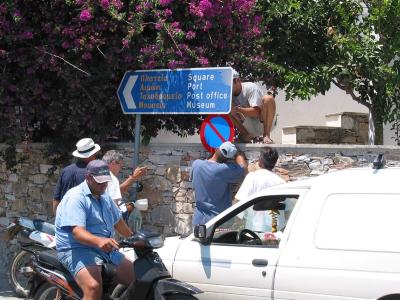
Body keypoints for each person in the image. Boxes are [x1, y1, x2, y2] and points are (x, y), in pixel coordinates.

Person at [55, 160, 134, 300]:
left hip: (105, 249)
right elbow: (77, 232)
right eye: (99, 181)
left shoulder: (104, 196)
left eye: (106, 181)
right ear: (88, 177)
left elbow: (118, 221)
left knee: (138, 278)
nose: (104, 185)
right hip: (76, 249)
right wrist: (99, 241)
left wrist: (134, 238)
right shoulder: (76, 197)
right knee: (93, 288)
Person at [191, 141, 247, 225]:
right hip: (218, 221)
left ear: (217, 149)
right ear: (227, 159)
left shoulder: (196, 165)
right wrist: (238, 153)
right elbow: (242, 167)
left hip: (198, 221)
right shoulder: (223, 170)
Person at [235, 147, 286, 232]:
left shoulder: (252, 177)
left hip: (256, 230)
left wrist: (236, 224)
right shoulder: (281, 181)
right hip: (276, 230)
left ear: (260, 161)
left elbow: (238, 202)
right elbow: (286, 208)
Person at [53, 137, 100, 214]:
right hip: (83, 220)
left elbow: (56, 199)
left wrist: (57, 219)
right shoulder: (93, 173)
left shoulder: (65, 171)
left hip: (65, 218)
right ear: (93, 153)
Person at [230, 70, 276, 144]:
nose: (228, 86)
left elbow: (256, 112)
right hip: (249, 126)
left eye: (230, 83)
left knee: (268, 98)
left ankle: (266, 135)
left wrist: (238, 109)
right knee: (225, 108)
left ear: (237, 80)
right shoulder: (227, 94)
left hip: (263, 122)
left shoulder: (250, 87)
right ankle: (245, 135)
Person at [102, 150, 147, 222]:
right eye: (120, 166)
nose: (120, 169)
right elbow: (113, 210)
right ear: (113, 163)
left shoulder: (98, 174)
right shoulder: (111, 178)